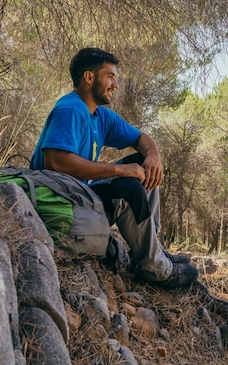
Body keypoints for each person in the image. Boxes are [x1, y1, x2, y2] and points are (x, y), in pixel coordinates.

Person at [30, 47, 198, 289]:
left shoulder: (99, 115)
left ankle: (154, 249)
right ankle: (154, 267)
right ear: (89, 77)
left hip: (79, 195)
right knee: (128, 186)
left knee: (142, 166)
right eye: (110, 76)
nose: (115, 84)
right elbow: (56, 162)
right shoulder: (70, 109)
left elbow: (142, 138)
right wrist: (119, 170)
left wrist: (153, 155)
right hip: (60, 202)